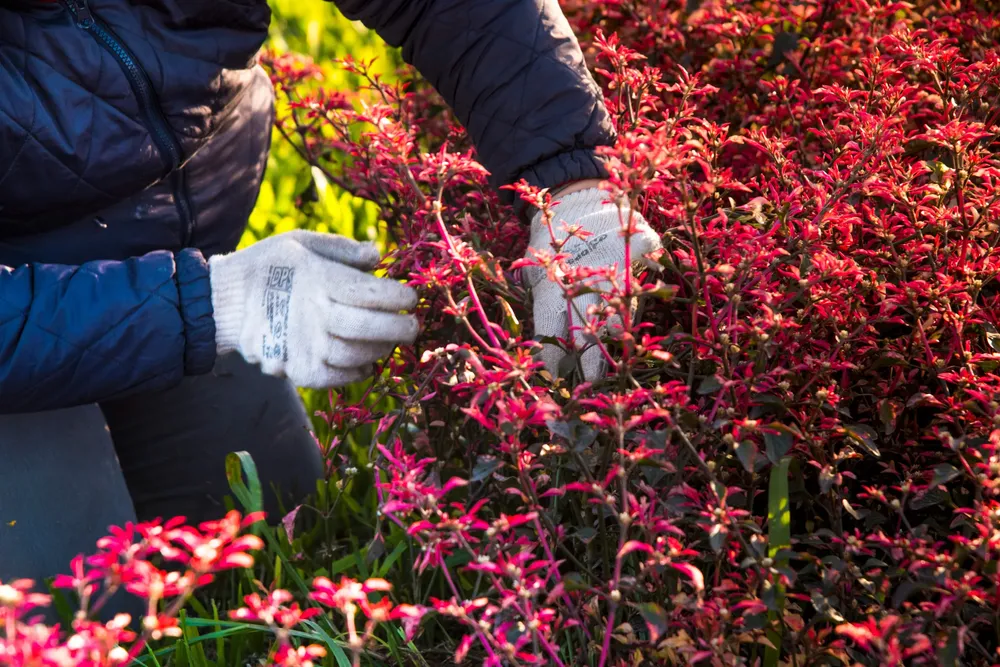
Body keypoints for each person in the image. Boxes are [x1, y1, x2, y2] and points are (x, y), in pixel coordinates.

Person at [0, 0, 661, 604]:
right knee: (73, 604)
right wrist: (219, 302)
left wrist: (574, 180)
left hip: (172, 244)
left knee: (272, 525)